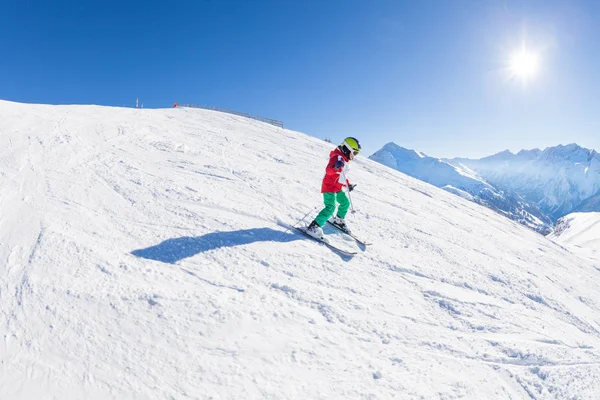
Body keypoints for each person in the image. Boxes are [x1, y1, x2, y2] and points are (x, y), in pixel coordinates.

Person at [306, 137, 361, 239]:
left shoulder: (345, 160)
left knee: (345, 203)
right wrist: (335, 167)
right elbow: (328, 171)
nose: (354, 155)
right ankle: (314, 227)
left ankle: (339, 220)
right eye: (354, 152)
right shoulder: (336, 157)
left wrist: (348, 184)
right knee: (330, 207)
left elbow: (342, 175)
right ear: (347, 148)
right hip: (329, 187)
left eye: (356, 153)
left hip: (337, 187)